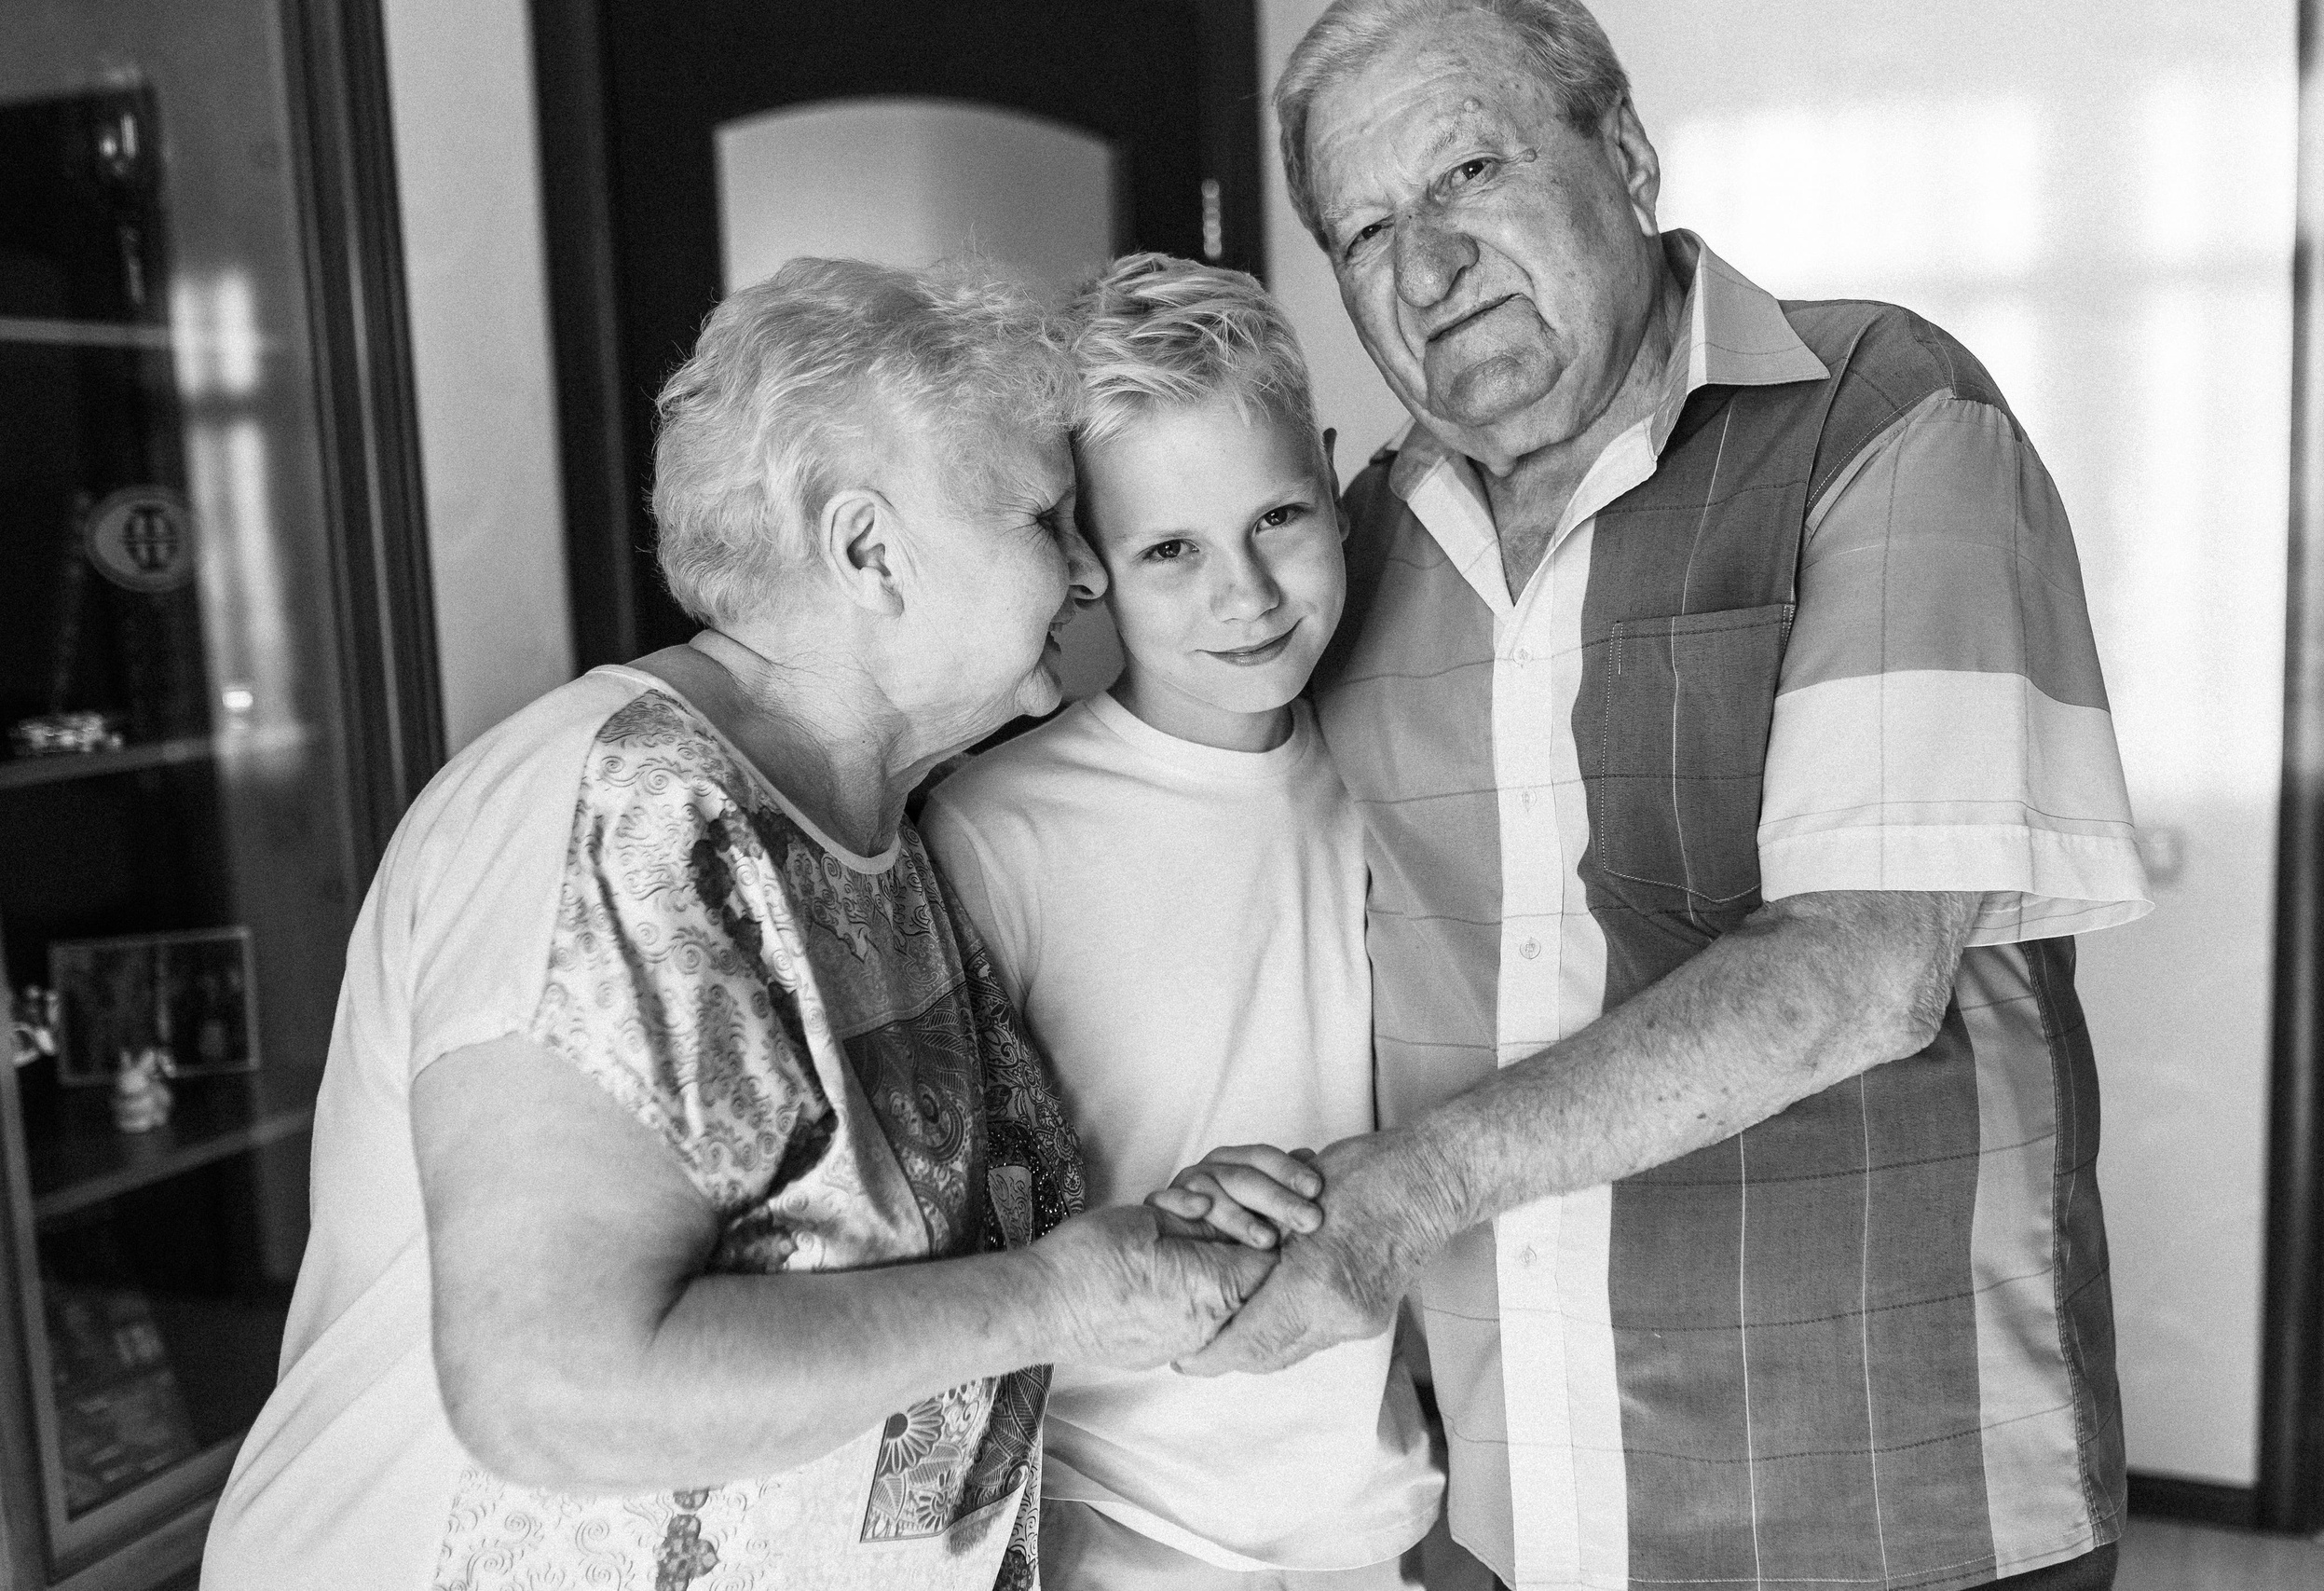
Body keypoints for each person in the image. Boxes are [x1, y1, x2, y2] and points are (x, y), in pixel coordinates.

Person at [1178, 5, 2156, 1591]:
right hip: (1508, 1506)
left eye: (1471, 172)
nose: (1425, 269)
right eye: (1364, 231)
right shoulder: (1351, 547)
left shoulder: (1884, 413)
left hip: (1886, 1507)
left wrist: (1395, 1196)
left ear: (1622, 151)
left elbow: (1862, 966)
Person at [199, 257, 1284, 1591]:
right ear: (866, 549)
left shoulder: (871, 825)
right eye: (1044, 519)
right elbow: (556, 1390)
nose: (1084, 575)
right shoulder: (628, 806)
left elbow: (879, 1288)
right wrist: (1058, 1299)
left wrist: (1125, 1256)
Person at [921, 254, 1443, 1589]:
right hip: (1118, 1539)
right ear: (1085, 566)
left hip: (1376, 1532)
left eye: (1279, 516)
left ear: (1332, 476)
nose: (1247, 594)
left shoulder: (1402, 772)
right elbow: (936, 1246)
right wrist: (1159, 1214)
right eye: (1171, 549)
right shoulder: (998, 831)